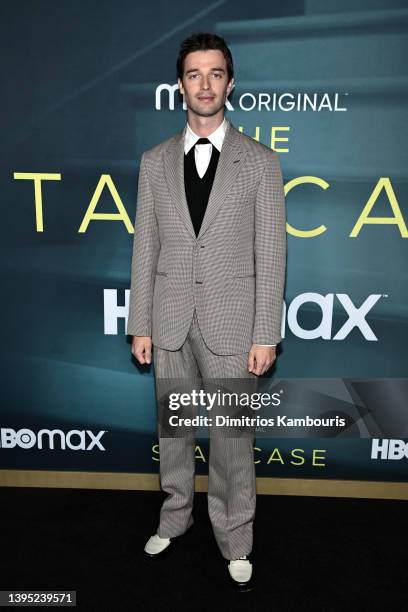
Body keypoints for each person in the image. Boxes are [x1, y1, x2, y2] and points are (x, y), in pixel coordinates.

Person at [127, 31, 286, 591]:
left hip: (234, 322)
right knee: (174, 432)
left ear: (230, 83)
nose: (205, 84)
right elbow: (146, 244)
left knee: (231, 441)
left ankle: (235, 536)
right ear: (180, 85)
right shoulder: (154, 162)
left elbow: (271, 253)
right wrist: (139, 323)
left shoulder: (261, 163)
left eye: (215, 73)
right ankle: (174, 518)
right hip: (167, 318)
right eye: (194, 74)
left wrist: (266, 332)